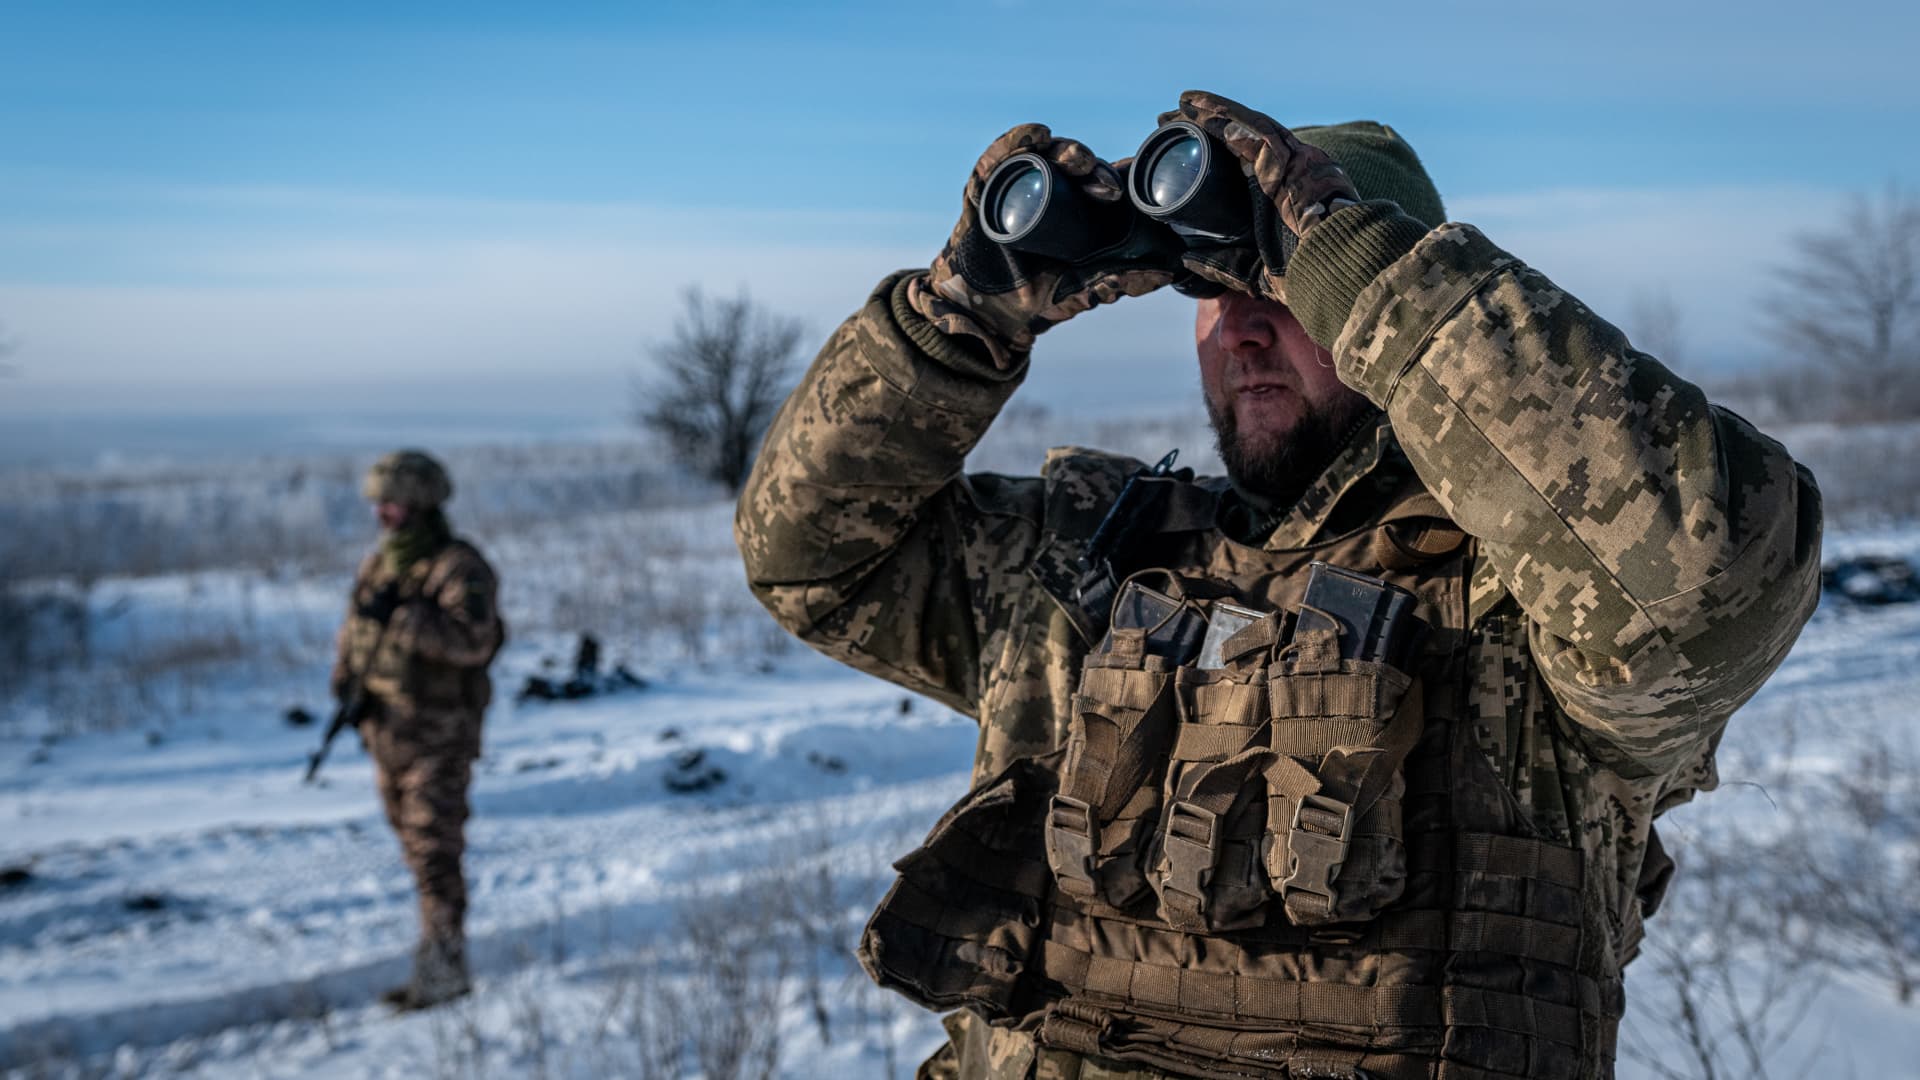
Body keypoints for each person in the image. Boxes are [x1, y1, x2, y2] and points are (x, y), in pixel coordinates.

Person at [737, 91, 1822, 1079]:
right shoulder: (1084, 562)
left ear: (1377, 306)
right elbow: (810, 556)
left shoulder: (1536, 597)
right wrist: (954, 322)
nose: (1242, 326)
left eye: (1284, 289)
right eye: (1207, 292)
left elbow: (1708, 573)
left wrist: (1363, 266)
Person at [333, 449, 505, 1011]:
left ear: (423, 504)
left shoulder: (457, 566)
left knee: (435, 856)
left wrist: (406, 619)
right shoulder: (379, 565)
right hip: (387, 735)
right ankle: (439, 956)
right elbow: (355, 629)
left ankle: (443, 971)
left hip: (440, 739)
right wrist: (346, 682)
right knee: (414, 853)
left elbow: (476, 640)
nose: (382, 514)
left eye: (394, 504)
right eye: (379, 505)